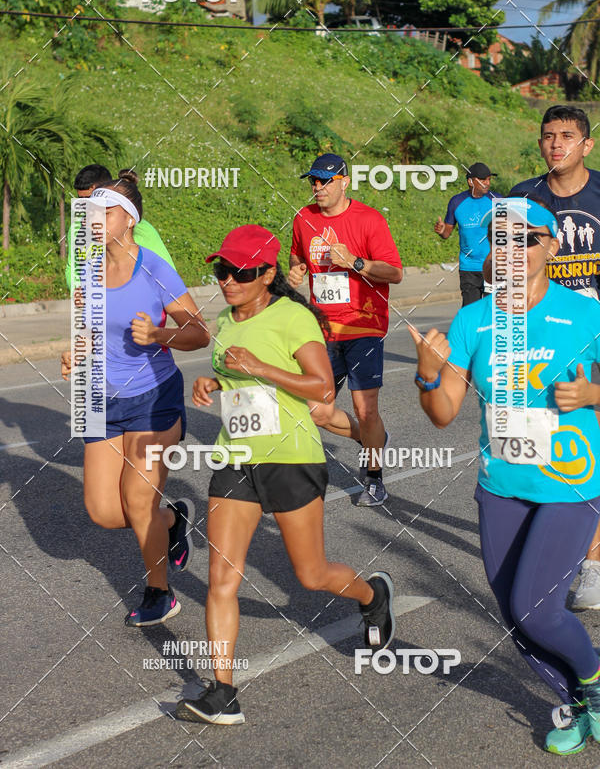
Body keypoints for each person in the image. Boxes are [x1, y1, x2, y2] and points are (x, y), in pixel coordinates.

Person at [175, 224, 394, 725]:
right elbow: (234, 374)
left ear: (268, 273)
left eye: (240, 272)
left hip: (292, 456)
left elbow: (320, 388)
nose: (227, 279)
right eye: (221, 270)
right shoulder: (225, 320)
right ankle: (222, 691)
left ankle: (372, 594)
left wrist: (259, 369)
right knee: (220, 580)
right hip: (235, 457)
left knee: (311, 574)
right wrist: (214, 381)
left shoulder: (293, 317)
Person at [410, 196, 600, 755]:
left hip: (572, 485)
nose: (513, 250)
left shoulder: (586, 314)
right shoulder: (474, 320)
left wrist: (592, 393)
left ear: (552, 247)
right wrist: (427, 376)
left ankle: (593, 681)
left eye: (527, 239)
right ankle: (577, 702)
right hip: (501, 488)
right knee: (518, 618)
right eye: (502, 240)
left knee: (534, 608)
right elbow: (443, 414)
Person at [61, 172, 210, 626]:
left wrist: (161, 333)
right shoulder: (87, 269)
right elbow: (88, 328)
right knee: (105, 512)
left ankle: (159, 591)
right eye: (91, 213)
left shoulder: (154, 268)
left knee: (138, 500)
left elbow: (200, 332)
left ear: (129, 220)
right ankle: (172, 522)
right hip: (98, 398)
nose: (95, 220)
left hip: (152, 396)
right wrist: (75, 351)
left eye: (105, 212)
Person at [509, 105, 600, 610]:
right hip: (542, 339)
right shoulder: (523, 198)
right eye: (548, 136)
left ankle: (592, 565)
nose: (556, 144)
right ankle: (556, 543)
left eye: (567, 136)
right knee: (542, 446)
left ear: (586, 145)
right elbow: (499, 265)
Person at [288, 154, 403, 507]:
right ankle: (374, 439)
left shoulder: (368, 220)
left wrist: (355, 262)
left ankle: (373, 478)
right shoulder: (303, 218)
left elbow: (394, 272)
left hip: (363, 326)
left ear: (344, 181)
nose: (317, 188)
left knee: (365, 408)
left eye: (325, 181)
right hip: (322, 329)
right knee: (314, 410)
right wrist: (296, 272)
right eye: (314, 181)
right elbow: (297, 256)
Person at [65, 164, 175, 289]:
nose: (86, 207)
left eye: (91, 200)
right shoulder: (77, 227)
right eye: (81, 201)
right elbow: (73, 269)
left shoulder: (139, 228)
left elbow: (168, 274)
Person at [434, 162, 498, 306]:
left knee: (492, 314)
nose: (487, 183)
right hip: (468, 268)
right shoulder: (456, 202)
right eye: (483, 180)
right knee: (471, 314)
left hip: (493, 266)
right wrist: (441, 230)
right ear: (470, 181)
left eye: (489, 179)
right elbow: (446, 233)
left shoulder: (497, 201)